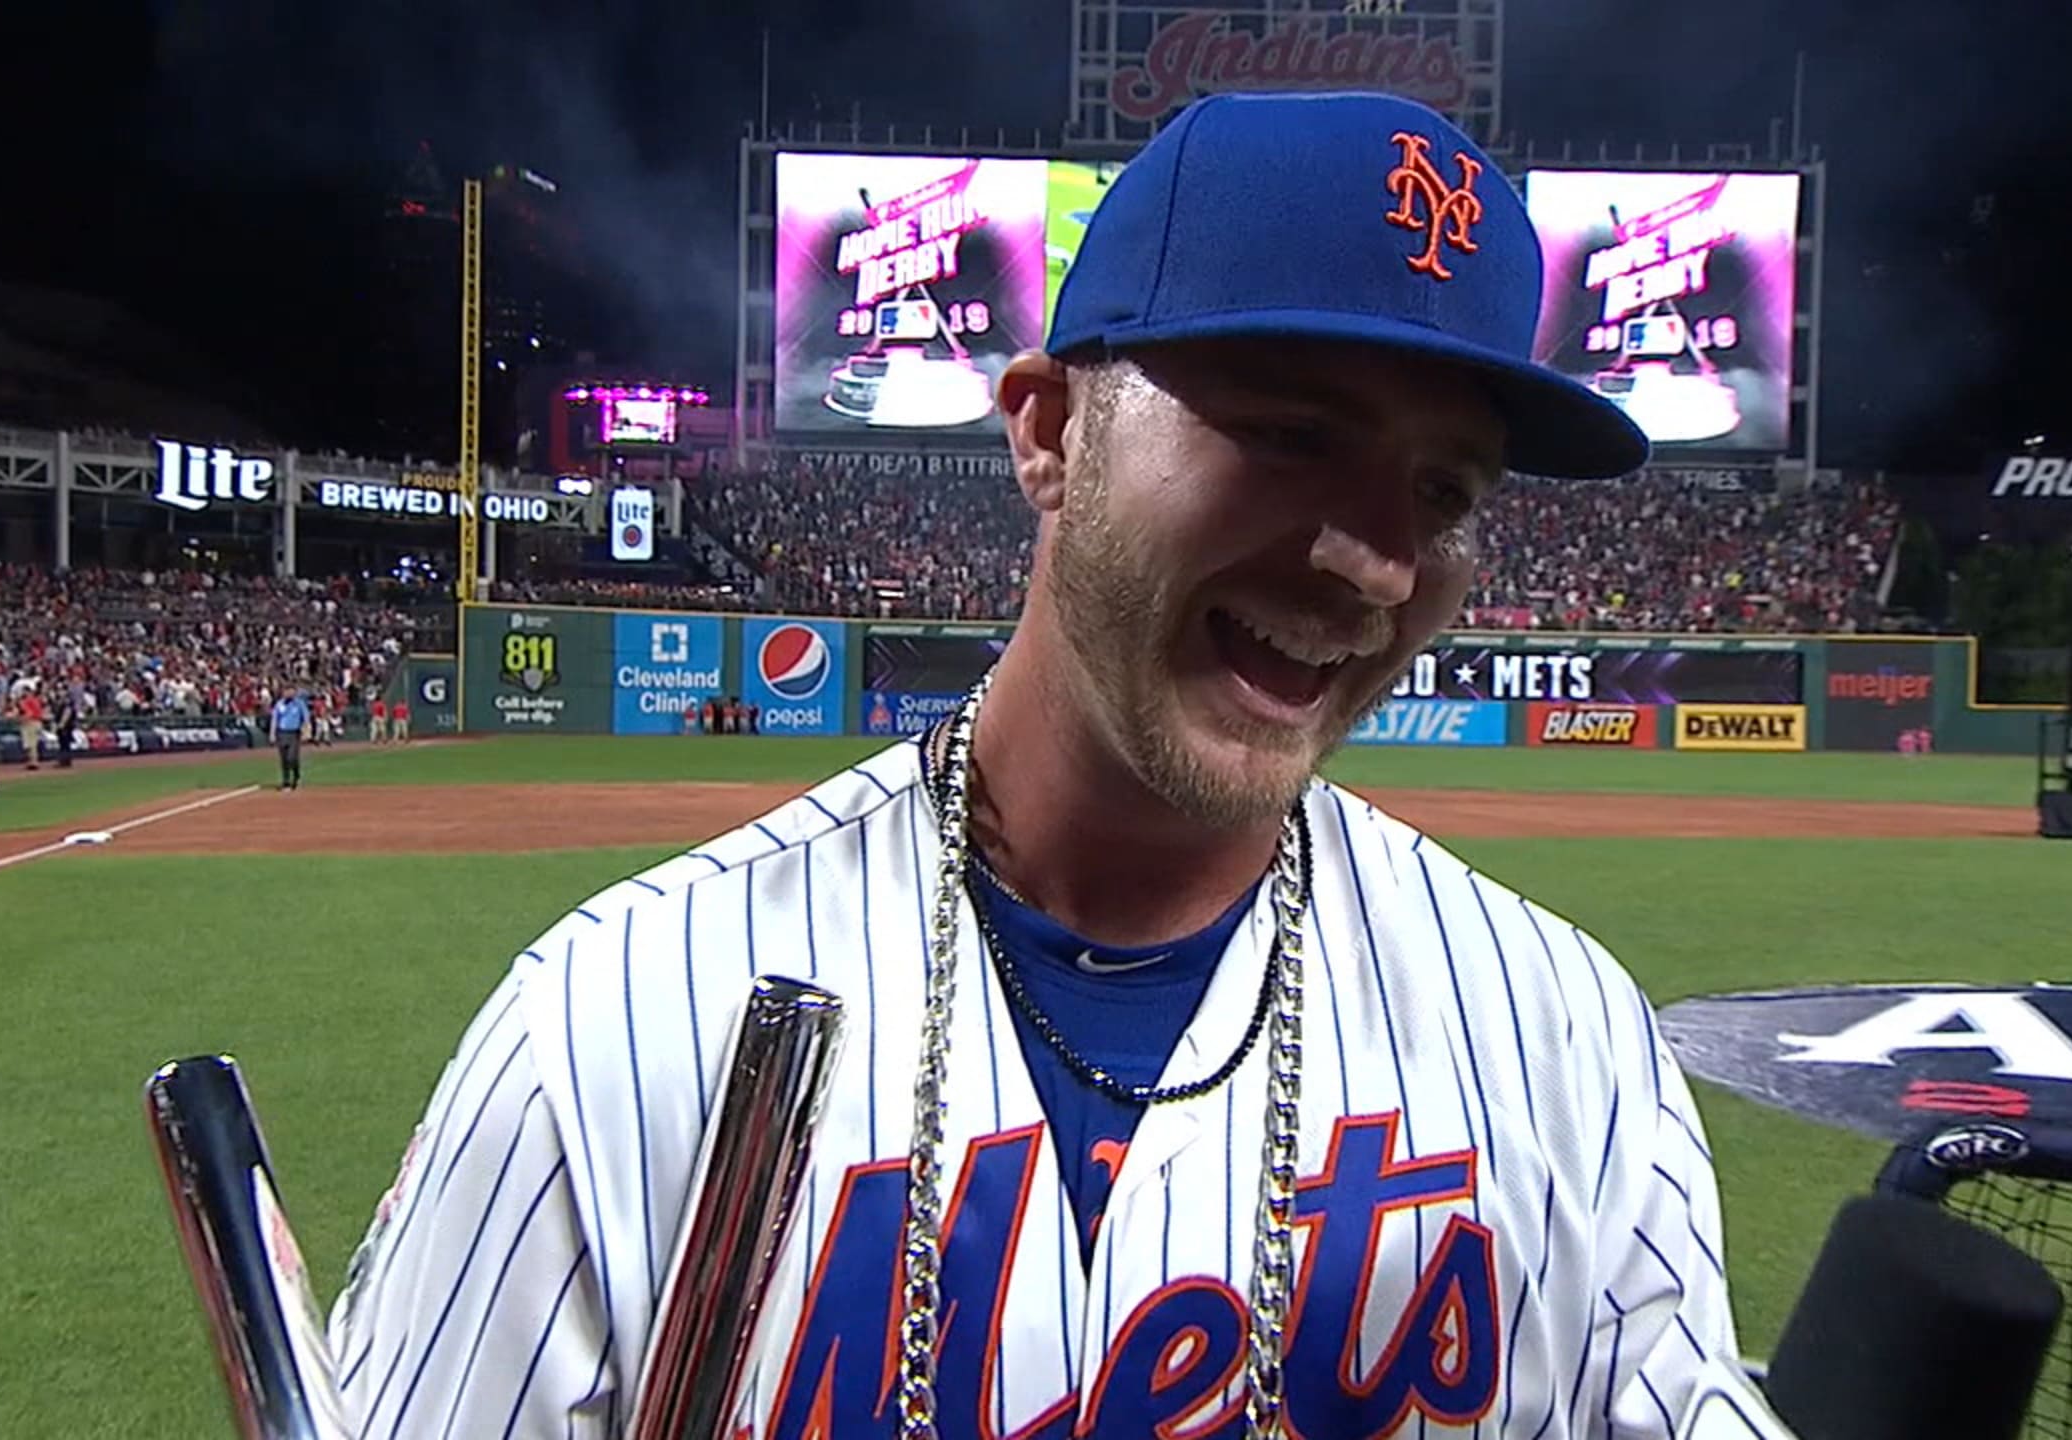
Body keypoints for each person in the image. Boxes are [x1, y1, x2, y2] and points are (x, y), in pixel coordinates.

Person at [326, 92, 1731, 1438]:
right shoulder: (611, 1031)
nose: (1376, 560)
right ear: (1052, 433)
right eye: (1294, 436)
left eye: (1448, 491)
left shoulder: (1570, 1043)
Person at [270, 686, 309, 791]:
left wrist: (306, 731)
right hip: (282, 733)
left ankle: (296, 775)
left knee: (292, 757)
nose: (288, 693)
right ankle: (286, 782)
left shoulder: (299, 704)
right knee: (284, 759)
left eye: (290, 691)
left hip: (294, 733)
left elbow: (305, 718)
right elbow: (275, 719)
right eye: (286, 691)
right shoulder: (279, 704)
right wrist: (272, 733)